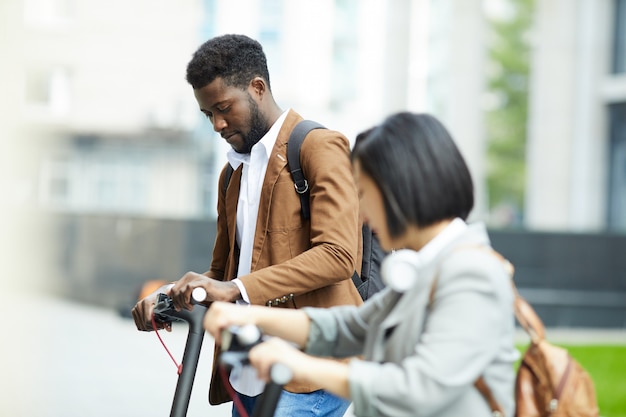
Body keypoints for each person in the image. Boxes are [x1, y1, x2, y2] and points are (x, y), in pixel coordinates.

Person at [204, 112, 519, 417]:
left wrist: (298, 364)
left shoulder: (471, 273)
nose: (362, 216)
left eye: (363, 194)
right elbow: (351, 327)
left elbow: (417, 389)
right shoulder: (432, 266)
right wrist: (247, 313)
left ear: (401, 188)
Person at [131, 34, 362, 417]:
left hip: (309, 374)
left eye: (224, 108)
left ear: (257, 88)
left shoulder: (318, 147)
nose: (217, 124)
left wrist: (234, 288)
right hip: (248, 372)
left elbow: (338, 256)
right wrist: (171, 294)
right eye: (208, 114)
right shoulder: (231, 173)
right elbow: (223, 275)